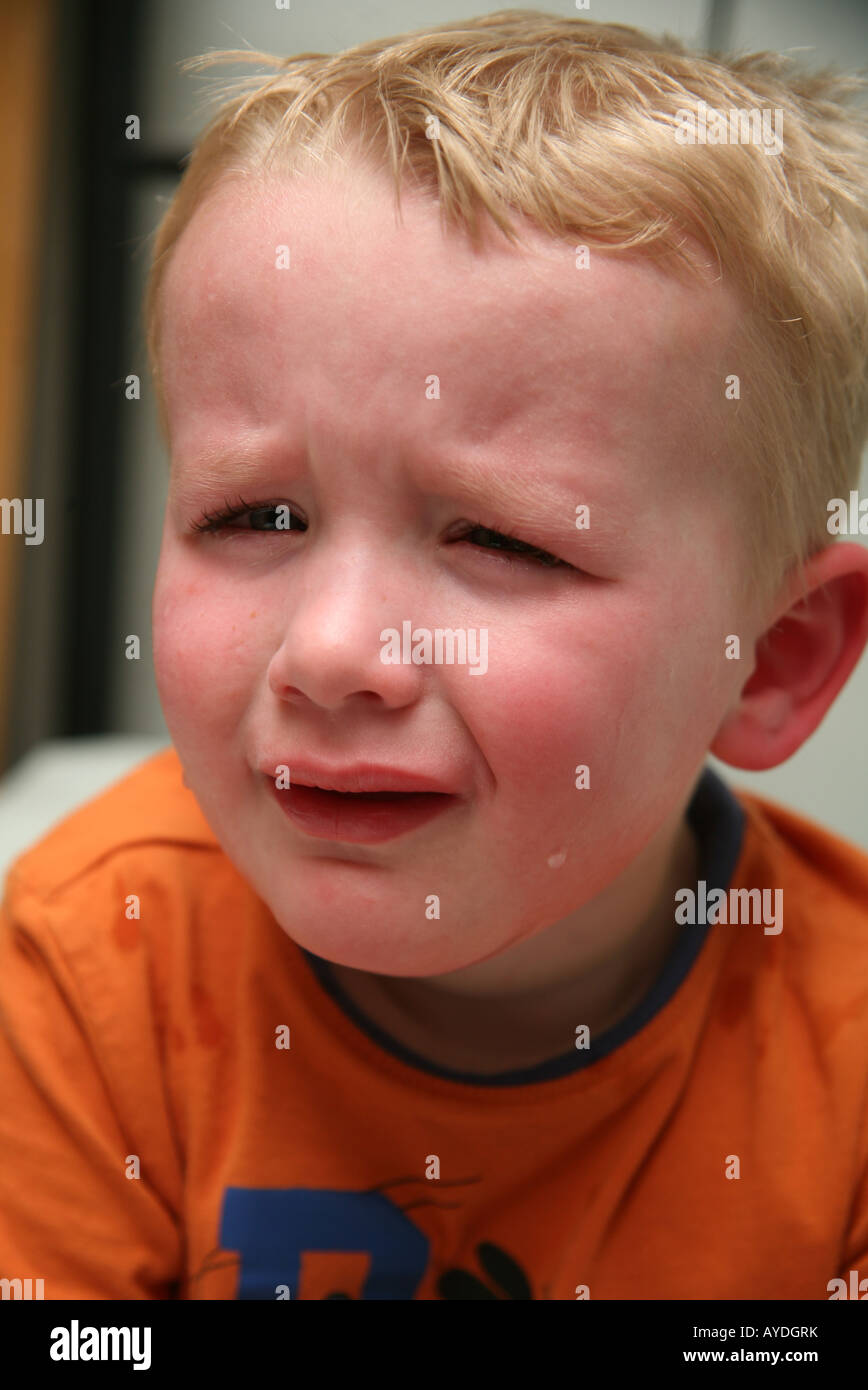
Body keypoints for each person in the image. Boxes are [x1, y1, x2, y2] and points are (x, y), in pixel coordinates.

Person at [2, 11, 868, 1300]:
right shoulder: (81, 967)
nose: (335, 652)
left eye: (501, 541)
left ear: (773, 657)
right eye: (256, 516)